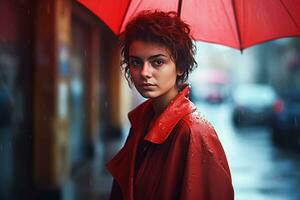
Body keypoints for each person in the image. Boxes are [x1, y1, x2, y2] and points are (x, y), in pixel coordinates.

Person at [106, 10, 234, 200]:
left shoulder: (194, 133)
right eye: (135, 62)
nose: (144, 72)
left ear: (180, 66)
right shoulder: (142, 120)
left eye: (157, 62)